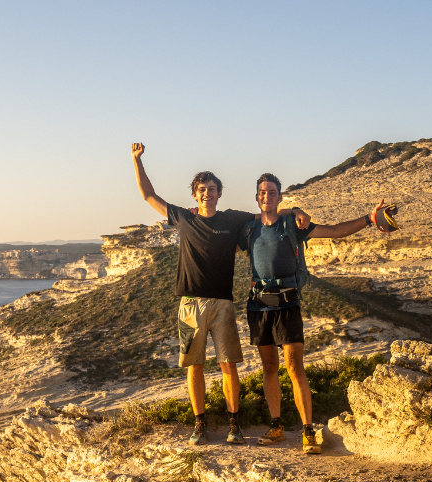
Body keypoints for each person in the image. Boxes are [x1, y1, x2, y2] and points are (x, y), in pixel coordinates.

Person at [131, 143, 310, 446]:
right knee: (194, 366)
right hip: (190, 304)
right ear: (194, 194)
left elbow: (266, 213)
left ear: (219, 193)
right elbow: (149, 195)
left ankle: (234, 424)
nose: (207, 194)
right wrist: (136, 160)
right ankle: (199, 424)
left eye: (212, 189)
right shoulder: (183, 217)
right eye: (202, 190)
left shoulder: (232, 219)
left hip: (223, 304)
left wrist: (294, 210)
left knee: (229, 365)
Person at [240, 172, 389, 454]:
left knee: (294, 367)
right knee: (269, 367)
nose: (266, 196)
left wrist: (369, 219)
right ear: (257, 197)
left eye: (272, 192)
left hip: (287, 304)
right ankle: (276, 427)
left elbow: (335, 231)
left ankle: (308, 432)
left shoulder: (291, 225)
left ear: (279, 197)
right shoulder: (248, 228)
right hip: (258, 306)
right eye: (262, 192)